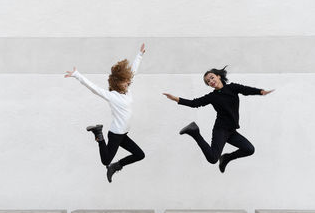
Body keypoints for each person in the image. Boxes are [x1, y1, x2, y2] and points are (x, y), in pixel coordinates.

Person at [163, 66, 273, 173]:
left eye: (211, 77)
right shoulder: (212, 97)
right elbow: (194, 103)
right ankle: (194, 132)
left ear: (218, 76)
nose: (211, 81)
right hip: (221, 129)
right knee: (212, 159)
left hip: (231, 131)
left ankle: (226, 158)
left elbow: (246, 90)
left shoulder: (232, 88)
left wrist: (260, 92)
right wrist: (175, 99)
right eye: (208, 81)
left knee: (249, 149)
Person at [64, 44, 146, 183]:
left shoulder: (127, 90)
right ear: (118, 83)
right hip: (115, 134)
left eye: (128, 80)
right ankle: (99, 135)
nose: (128, 82)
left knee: (139, 154)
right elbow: (94, 89)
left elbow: (133, 72)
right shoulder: (112, 96)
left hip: (124, 133)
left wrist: (140, 55)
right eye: (125, 81)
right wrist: (77, 75)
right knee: (105, 160)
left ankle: (116, 166)